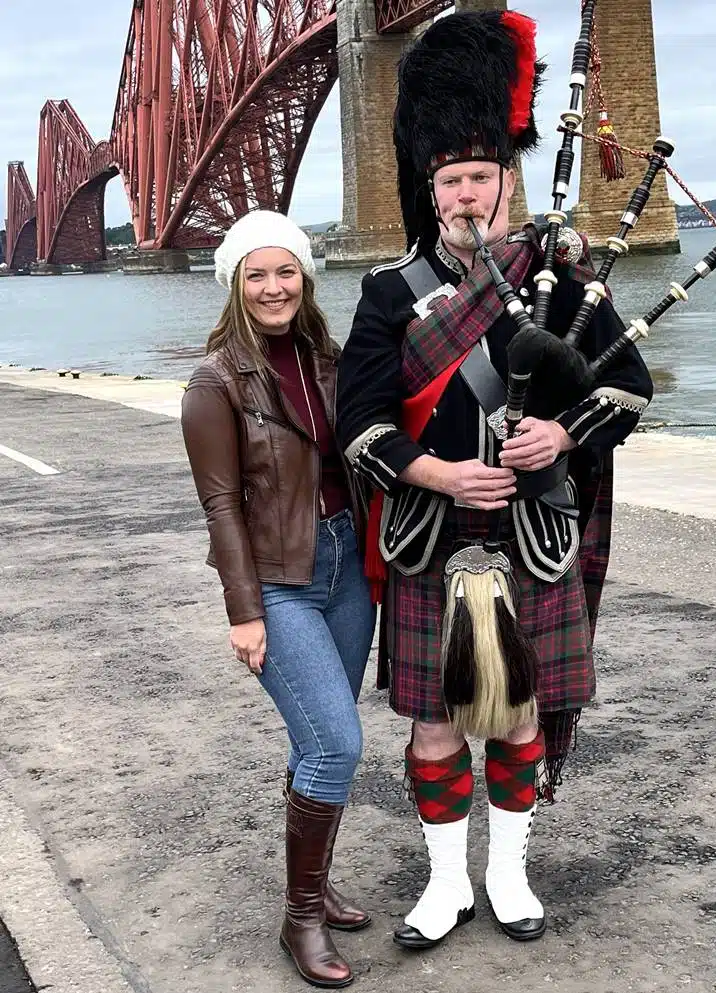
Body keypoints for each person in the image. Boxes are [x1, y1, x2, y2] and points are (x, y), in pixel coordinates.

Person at [335, 11, 653, 951]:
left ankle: (508, 873)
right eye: (451, 182)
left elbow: (628, 391)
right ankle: (444, 885)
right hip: (435, 535)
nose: (468, 195)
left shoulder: (566, 278)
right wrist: (434, 470)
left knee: (515, 718)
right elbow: (359, 425)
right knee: (434, 724)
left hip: (534, 535)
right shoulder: (392, 293)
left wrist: (558, 432)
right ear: (431, 192)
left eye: (481, 178)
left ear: (507, 182)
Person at [181, 210, 375, 989]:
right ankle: (301, 917)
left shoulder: (331, 360)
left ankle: (317, 882)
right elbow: (220, 505)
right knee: (338, 743)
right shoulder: (216, 380)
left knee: (313, 740)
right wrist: (244, 608)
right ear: (236, 283)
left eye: (285, 270)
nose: (273, 286)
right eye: (256, 274)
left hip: (348, 570)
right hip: (278, 580)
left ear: (306, 277)